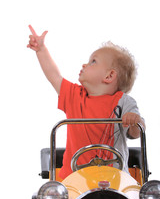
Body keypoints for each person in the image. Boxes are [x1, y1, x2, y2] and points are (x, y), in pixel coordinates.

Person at [27, 25, 145, 179]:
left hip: (115, 179)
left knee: (139, 197)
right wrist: (41, 50)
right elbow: (54, 76)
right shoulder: (74, 96)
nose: (84, 65)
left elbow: (137, 132)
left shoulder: (124, 101)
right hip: (74, 178)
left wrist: (135, 121)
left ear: (109, 76)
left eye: (92, 62)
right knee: (55, 198)